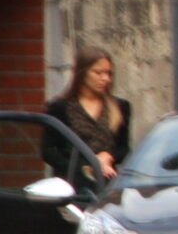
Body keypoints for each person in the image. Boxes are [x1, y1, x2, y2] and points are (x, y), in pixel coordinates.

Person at [46, 47, 130, 182]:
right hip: (71, 184)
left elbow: (123, 148)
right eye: (98, 73)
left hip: (106, 183)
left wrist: (108, 156)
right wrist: (86, 166)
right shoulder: (60, 107)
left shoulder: (120, 106)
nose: (105, 79)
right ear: (82, 73)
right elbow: (49, 152)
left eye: (109, 73)